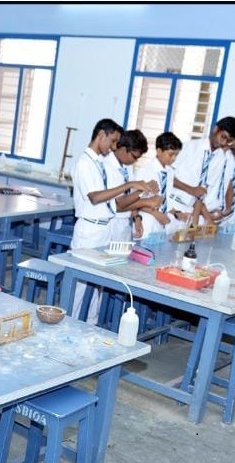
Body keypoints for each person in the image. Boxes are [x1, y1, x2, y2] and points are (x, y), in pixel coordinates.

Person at [69, 119, 152, 322]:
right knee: (81, 287)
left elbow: (111, 203)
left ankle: (91, 324)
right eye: (113, 140)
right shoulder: (84, 163)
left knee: (97, 285)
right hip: (89, 229)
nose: (114, 146)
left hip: (104, 228)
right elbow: (95, 197)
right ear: (101, 135)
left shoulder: (98, 162)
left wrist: (138, 202)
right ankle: (72, 324)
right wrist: (129, 186)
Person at [167, 116, 235, 230]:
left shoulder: (221, 158)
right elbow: (167, 176)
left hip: (194, 213)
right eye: (223, 137)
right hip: (173, 206)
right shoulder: (189, 147)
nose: (223, 142)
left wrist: (204, 218)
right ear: (215, 129)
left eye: (228, 141)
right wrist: (190, 189)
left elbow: (205, 192)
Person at [105, 129, 155, 241]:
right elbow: (119, 203)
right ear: (123, 149)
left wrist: (137, 217)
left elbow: (130, 195)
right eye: (134, 157)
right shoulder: (107, 165)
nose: (135, 161)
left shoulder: (127, 166)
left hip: (124, 223)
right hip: (110, 223)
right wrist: (142, 192)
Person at [135, 131, 183, 243]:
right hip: (148, 221)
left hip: (163, 221)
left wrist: (175, 212)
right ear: (159, 151)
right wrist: (156, 214)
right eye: (171, 154)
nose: (174, 158)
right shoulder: (145, 171)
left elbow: (166, 198)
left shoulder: (170, 172)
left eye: (176, 155)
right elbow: (134, 202)